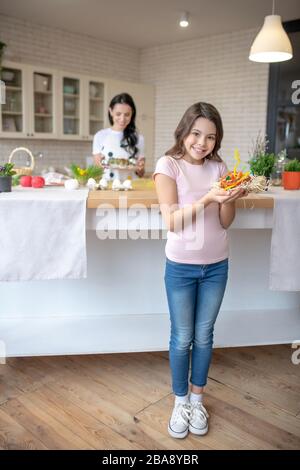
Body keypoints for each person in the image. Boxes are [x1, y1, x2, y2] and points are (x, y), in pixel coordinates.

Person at [153, 102, 248, 439]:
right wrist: (209, 198)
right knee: (182, 338)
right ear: (184, 131)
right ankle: (179, 402)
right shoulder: (168, 165)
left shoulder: (219, 167)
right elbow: (173, 222)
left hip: (216, 265)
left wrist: (230, 198)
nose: (202, 142)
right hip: (180, 266)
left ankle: (197, 400)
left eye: (210, 137)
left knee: (204, 335)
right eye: (196, 133)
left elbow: (225, 222)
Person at [93, 93, 145, 180]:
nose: (122, 119)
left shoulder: (139, 138)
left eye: (127, 114)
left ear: (132, 114)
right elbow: (97, 170)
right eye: (118, 114)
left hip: (131, 187)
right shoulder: (100, 136)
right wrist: (101, 164)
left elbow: (141, 174)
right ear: (111, 111)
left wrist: (141, 168)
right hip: (108, 186)